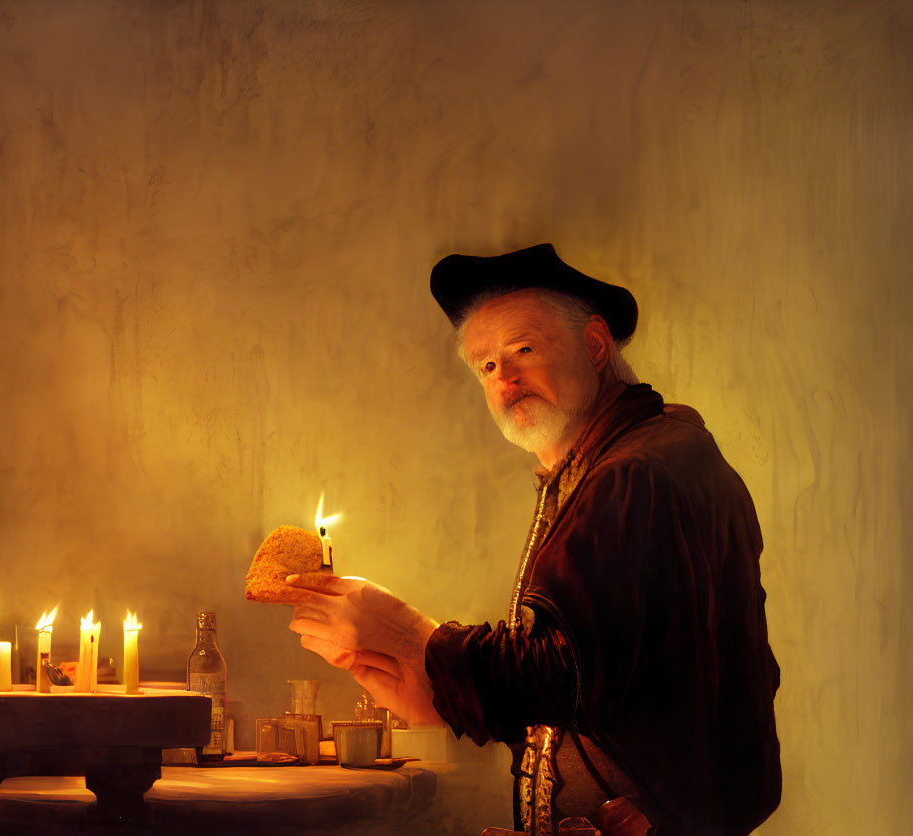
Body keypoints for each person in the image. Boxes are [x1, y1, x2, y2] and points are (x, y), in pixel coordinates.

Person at [284, 244, 781, 834]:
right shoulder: (617, 461)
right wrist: (433, 690)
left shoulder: (633, 472)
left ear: (595, 346)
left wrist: (414, 639)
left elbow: (567, 673)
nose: (505, 379)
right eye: (486, 366)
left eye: (523, 349)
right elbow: (616, 670)